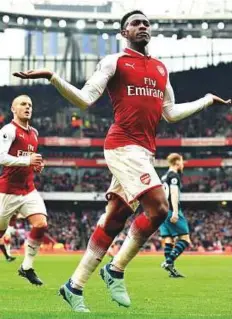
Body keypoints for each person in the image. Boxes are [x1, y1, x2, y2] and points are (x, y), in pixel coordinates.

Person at [13, 10, 231, 312]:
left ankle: (73, 286)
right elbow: (85, 99)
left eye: (146, 23)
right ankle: (115, 269)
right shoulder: (114, 61)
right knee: (159, 207)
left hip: (144, 152)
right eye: (135, 23)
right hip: (122, 146)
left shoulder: (160, 69)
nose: (143, 26)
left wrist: (206, 99)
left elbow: (170, 113)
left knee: (114, 219)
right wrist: (53, 77)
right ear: (123, 32)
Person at [0, 95, 47, 285]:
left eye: (30, 104)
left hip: (28, 190)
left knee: (41, 224)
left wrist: (35, 166)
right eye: (23, 104)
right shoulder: (8, 130)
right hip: (7, 191)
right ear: (13, 109)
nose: (27, 107)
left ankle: (26, 267)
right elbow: (1, 157)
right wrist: (27, 160)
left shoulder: (34, 133)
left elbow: (28, 159)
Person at [159, 153, 190, 278]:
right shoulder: (174, 176)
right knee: (185, 239)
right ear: (177, 162)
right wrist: (176, 212)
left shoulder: (163, 177)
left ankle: (171, 271)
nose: (182, 164)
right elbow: (174, 193)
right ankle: (168, 262)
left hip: (162, 211)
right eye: (182, 161)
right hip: (171, 210)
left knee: (169, 239)